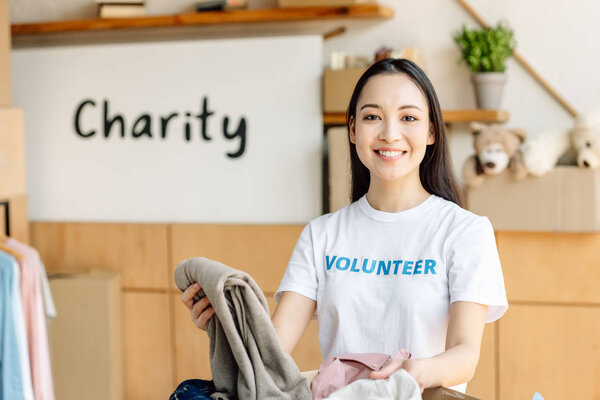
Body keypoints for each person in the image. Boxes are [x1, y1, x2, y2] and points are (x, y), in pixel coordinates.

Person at [180, 58, 508, 395]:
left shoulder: (465, 232)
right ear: (353, 130)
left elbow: (465, 354)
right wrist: (224, 325)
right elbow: (271, 354)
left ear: (431, 132)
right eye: (372, 117)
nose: (390, 134)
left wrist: (408, 376)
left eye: (408, 117)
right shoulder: (322, 235)